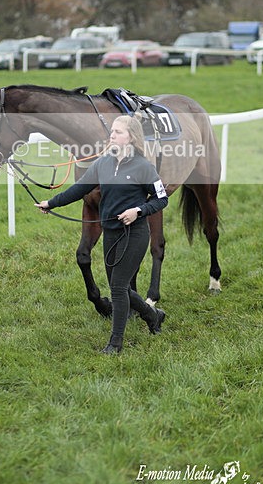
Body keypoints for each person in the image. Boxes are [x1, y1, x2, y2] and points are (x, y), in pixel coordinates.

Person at [36, 115, 168, 355]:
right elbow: (79, 189)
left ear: (131, 137)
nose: (112, 135)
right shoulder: (102, 164)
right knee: (122, 289)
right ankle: (153, 315)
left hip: (135, 233)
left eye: (118, 132)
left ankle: (115, 344)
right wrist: (51, 203)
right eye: (112, 131)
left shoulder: (144, 167)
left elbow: (162, 199)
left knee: (118, 288)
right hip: (111, 234)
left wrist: (138, 210)